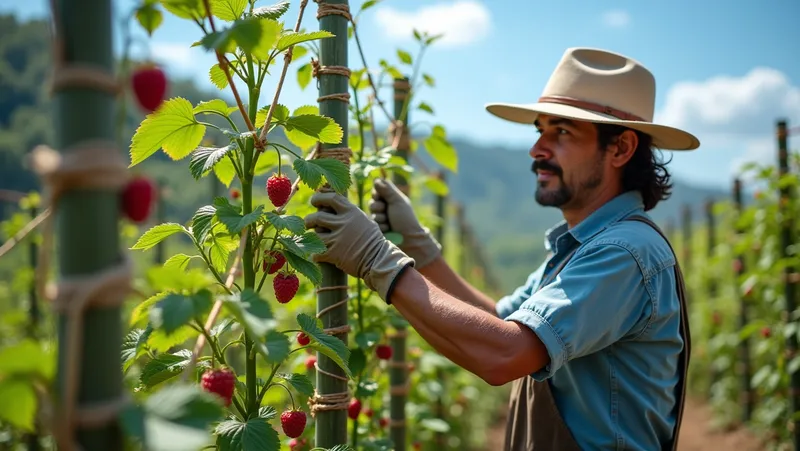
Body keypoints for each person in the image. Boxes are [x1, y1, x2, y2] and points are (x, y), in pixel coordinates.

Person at [303, 47, 700, 450]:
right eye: (540, 130)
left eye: (561, 132)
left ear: (620, 149)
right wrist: (422, 251)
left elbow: (505, 353)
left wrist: (378, 261)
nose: (537, 149)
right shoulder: (581, 246)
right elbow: (496, 319)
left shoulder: (625, 252)